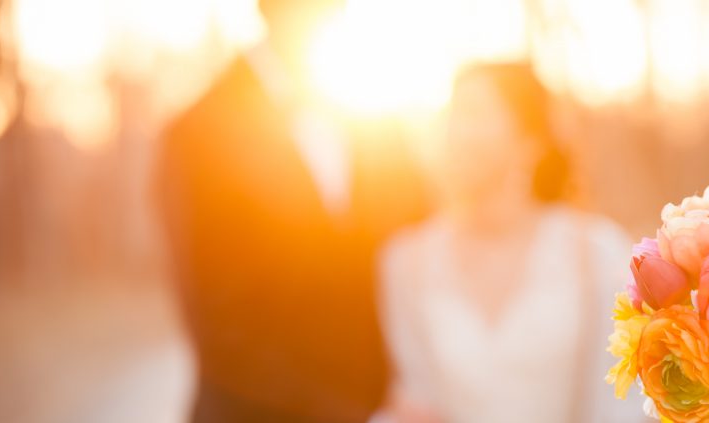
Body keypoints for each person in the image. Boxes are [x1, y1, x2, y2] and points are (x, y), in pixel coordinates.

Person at [154, 0, 427, 421]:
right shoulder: (197, 134)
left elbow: (418, 248)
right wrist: (353, 415)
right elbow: (221, 331)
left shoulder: (378, 119)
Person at [377, 63, 647, 423]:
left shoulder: (597, 250)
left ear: (530, 142)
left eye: (473, 113)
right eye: (450, 114)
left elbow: (619, 404)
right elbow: (416, 400)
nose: (453, 131)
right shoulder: (405, 261)